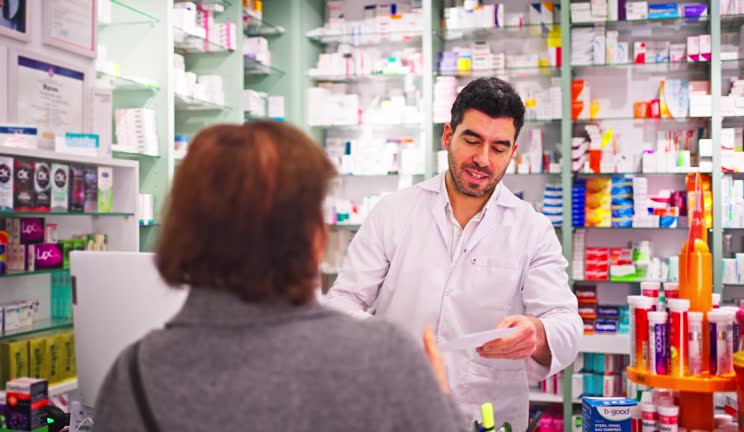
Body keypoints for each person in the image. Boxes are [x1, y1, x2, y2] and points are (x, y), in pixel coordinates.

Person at [94, 121, 463, 431]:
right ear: (314, 237)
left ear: (184, 229)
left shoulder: (134, 374)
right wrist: (440, 395)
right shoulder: (383, 356)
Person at [326, 77, 583, 428]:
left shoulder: (532, 230)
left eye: (498, 147)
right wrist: (387, 340)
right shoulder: (394, 212)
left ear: (513, 151)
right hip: (397, 408)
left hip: (487, 417)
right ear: (448, 135)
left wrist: (535, 333)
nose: (482, 159)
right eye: (472, 140)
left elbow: (567, 326)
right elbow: (341, 301)